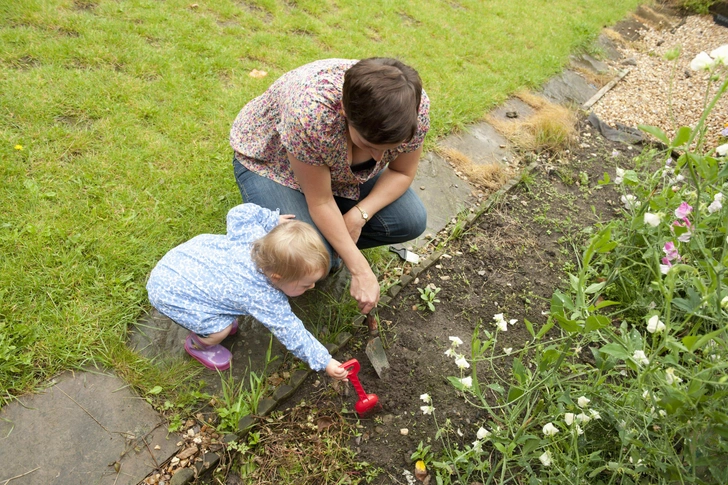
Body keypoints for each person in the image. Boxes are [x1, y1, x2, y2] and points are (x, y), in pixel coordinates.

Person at [230, 57, 430, 315]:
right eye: (370, 146)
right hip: (274, 164)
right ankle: (321, 246)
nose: (380, 159)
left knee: (410, 219)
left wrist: (359, 216)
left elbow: (402, 172)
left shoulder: (412, 107)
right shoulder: (310, 114)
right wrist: (359, 268)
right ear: (345, 113)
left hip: (337, 175)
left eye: (390, 149)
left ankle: (330, 243)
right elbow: (321, 200)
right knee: (308, 257)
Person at [146, 202, 349, 380]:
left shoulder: (254, 237)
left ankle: (213, 314)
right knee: (220, 331)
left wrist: (272, 219)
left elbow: (240, 212)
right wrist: (326, 362)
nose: (312, 287)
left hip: (182, 262)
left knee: (223, 312)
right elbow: (292, 332)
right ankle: (199, 344)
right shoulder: (263, 296)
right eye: (305, 284)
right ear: (278, 278)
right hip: (170, 293)